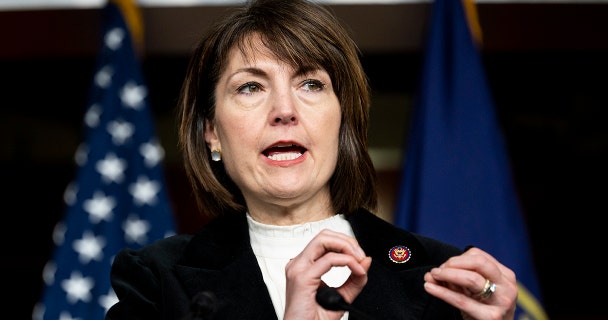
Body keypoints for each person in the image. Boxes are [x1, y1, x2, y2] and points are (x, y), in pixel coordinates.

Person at [105, 0, 518, 319]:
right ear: (212, 132)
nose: (284, 109)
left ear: (342, 121)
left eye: (310, 83)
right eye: (250, 86)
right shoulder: (155, 282)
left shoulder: (441, 278)